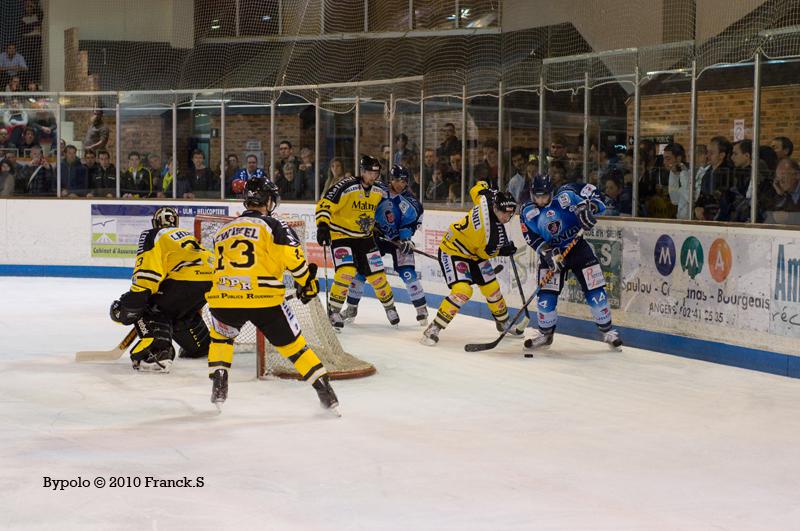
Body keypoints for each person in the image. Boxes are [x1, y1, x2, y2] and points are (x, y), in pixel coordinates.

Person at [205, 178, 339, 412]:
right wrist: (307, 283)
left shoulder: (223, 229)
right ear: (268, 201)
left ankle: (219, 381)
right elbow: (294, 262)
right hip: (264, 300)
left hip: (224, 297)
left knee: (221, 339)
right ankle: (325, 392)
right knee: (295, 348)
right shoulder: (274, 225)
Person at [519, 174, 622, 354]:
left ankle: (608, 331)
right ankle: (545, 334)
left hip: (578, 249)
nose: (541, 200)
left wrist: (588, 209)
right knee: (545, 298)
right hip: (552, 254)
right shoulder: (528, 212)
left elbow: (601, 204)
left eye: (544, 195)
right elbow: (531, 238)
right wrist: (548, 253)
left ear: (551, 192)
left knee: (595, 290)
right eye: (537, 196)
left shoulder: (567, 198)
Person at [109, 207, 214, 372]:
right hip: (210, 280)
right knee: (180, 314)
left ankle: (157, 352)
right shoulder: (186, 236)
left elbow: (148, 272)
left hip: (184, 280)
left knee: (148, 306)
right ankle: (200, 346)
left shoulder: (153, 234)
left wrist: (134, 300)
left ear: (155, 223)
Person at [420, 181, 523, 346]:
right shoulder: (492, 236)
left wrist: (488, 186)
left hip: (473, 251)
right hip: (453, 250)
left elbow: (477, 187)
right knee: (463, 290)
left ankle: (503, 323)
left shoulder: (487, 198)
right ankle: (433, 328)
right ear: (496, 208)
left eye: (510, 214)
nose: (507, 218)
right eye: (504, 213)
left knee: (492, 288)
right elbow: (486, 253)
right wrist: (503, 250)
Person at [315, 155, 399, 329]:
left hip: (365, 238)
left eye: (376, 173)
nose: (373, 176)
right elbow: (325, 203)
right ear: (362, 171)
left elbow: (386, 209)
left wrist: (380, 227)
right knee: (346, 271)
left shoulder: (379, 190)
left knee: (377, 274)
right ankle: (335, 311)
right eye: (370, 172)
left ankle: (390, 307)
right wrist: (323, 225)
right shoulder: (346, 185)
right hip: (341, 236)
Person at [342, 165, 428, 325]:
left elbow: (410, 224)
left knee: (407, 272)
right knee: (362, 270)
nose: (400, 184)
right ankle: (351, 307)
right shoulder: (377, 190)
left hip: (398, 240)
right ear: (391, 179)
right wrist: (370, 226)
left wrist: (406, 239)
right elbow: (362, 207)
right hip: (375, 237)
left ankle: (421, 309)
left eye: (403, 181)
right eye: (397, 180)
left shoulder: (412, 203)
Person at [665, 143, 692, 219]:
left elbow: (690, 198)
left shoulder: (692, 172)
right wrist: (674, 175)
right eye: (664, 158)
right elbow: (674, 200)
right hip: (681, 219)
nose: (665, 162)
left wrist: (683, 173)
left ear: (678, 158)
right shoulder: (673, 173)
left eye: (668, 159)